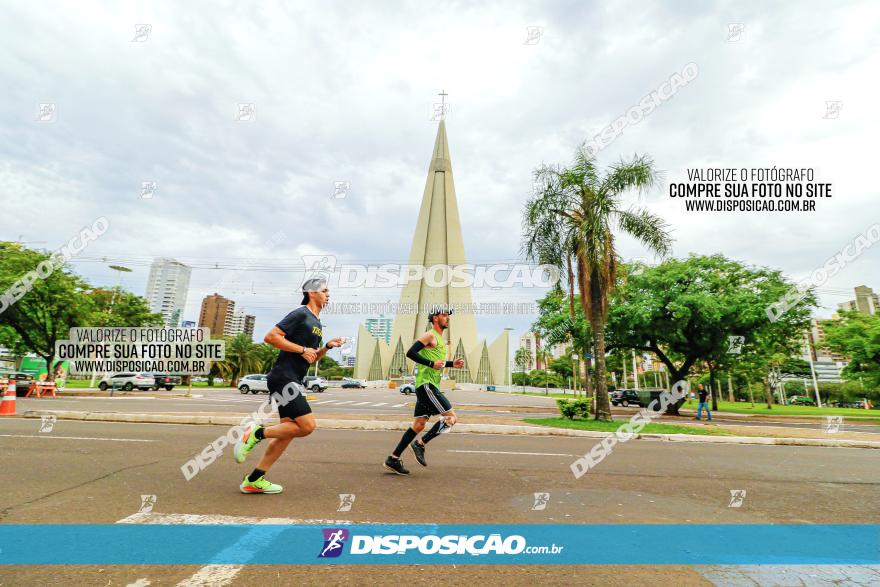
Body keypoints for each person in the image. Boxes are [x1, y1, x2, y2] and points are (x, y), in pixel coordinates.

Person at [233, 277, 343, 494]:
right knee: (307, 426)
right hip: (284, 378)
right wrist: (302, 350)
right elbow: (271, 337)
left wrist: (327, 347)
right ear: (312, 292)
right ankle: (255, 433)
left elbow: (311, 357)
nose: (328, 294)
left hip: (293, 378)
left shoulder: (317, 323)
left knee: (287, 433)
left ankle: (254, 480)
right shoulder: (301, 314)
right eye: (325, 290)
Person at [383, 306, 465, 475]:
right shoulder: (430, 335)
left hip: (430, 385)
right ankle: (420, 444)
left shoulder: (441, 340)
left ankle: (393, 459)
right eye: (444, 315)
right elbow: (410, 352)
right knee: (450, 418)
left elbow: (436, 362)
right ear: (435, 318)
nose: (447, 318)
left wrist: (451, 364)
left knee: (419, 425)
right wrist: (430, 364)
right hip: (426, 385)